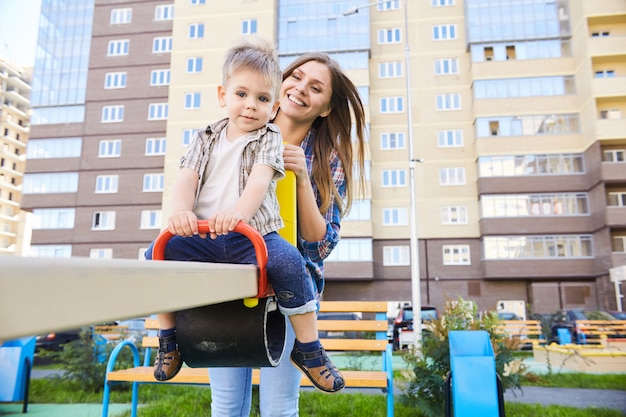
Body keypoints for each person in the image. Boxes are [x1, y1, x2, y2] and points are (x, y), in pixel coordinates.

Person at [144, 38, 345, 394]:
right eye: (296, 77)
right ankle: (167, 338)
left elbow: (262, 187)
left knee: (289, 261)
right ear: (224, 95)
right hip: (213, 251)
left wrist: (247, 211)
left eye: (315, 88)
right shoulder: (207, 136)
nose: (251, 105)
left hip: (260, 248)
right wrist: (180, 214)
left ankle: (309, 349)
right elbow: (187, 178)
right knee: (155, 256)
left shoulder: (279, 143)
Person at [208, 52, 367, 416]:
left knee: (279, 407)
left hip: (290, 297)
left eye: (316, 88)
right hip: (230, 281)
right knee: (227, 404)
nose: (300, 89)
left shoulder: (326, 159)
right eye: (296, 77)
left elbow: (320, 245)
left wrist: (299, 183)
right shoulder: (235, 130)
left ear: (326, 107)